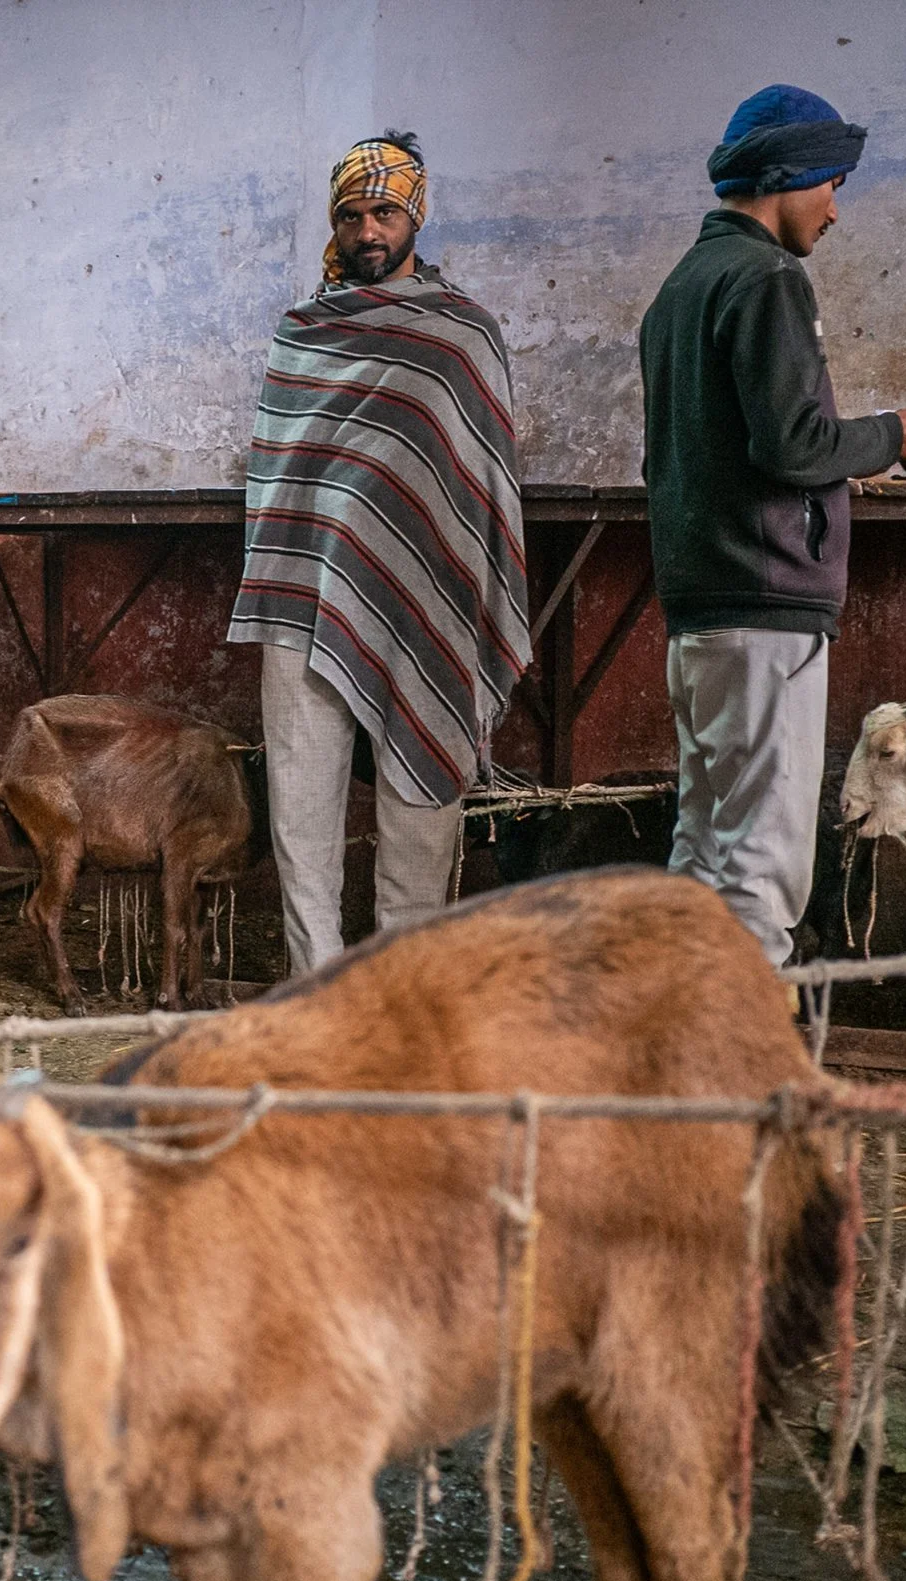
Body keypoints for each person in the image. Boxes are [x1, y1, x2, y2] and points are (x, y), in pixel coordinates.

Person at [639, 85, 906, 965]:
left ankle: (680, 1069)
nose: (835, 208)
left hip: (701, 613)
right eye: (830, 184)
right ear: (787, 178)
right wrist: (897, 432)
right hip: (766, 609)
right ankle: (740, 1086)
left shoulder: (681, 288)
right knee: (763, 872)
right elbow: (793, 442)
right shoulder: (767, 277)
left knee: (703, 852)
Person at [227, 131, 529, 976]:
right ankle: (317, 989)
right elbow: (279, 471)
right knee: (300, 801)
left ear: (416, 215)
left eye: (385, 213)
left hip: (423, 594)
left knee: (421, 792)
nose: (369, 231)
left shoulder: (464, 337)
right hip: (306, 587)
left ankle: (403, 990)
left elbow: (480, 483)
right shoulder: (304, 333)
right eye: (353, 215)